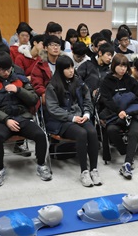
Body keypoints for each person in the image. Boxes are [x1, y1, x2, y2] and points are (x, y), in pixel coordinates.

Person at [0, 49, 51, 187]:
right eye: (2, 70)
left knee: (41, 134)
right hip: (2, 120)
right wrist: (6, 119)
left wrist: (18, 90)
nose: (6, 73)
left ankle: (41, 165)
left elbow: (33, 99)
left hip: (22, 117)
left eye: (8, 69)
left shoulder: (20, 79)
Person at [44, 54, 101, 187]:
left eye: (72, 67)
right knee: (81, 134)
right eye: (67, 68)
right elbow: (53, 109)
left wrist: (87, 113)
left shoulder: (79, 82)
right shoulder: (52, 86)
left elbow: (87, 99)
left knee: (92, 132)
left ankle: (94, 169)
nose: (71, 71)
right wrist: (72, 118)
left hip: (80, 116)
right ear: (60, 69)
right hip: (62, 121)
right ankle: (84, 171)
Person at [98, 54, 138, 179]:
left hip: (132, 113)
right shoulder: (106, 81)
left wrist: (128, 109)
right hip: (114, 113)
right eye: (120, 66)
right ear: (114, 66)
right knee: (111, 130)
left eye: (125, 66)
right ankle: (126, 152)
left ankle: (127, 163)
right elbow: (106, 100)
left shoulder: (130, 80)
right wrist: (119, 110)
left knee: (134, 132)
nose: (123, 69)